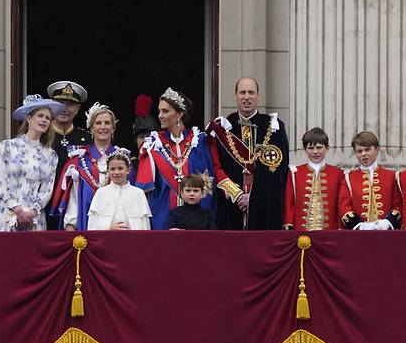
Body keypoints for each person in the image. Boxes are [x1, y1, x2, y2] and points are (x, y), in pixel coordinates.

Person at [205, 76, 289, 230]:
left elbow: (279, 171)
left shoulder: (274, 127)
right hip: (231, 206)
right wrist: (238, 195)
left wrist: (254, 197)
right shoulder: (222, 128)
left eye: (251, 92)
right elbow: (216, 168)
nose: (247, 97)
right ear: (235, 96)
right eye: (242, 92)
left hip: (265, 207)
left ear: (258, 96)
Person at [135, 87, 220, 230]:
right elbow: (143, 191)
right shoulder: (154, 144)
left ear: (179, 114)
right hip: (163, 217)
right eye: (159, 111)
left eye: (165, 111)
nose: (160, 115)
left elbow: (209, 183)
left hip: (197, 219)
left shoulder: (199, 142)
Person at [0, 95, 64, 231]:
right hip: (7, 212)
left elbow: (47, 189)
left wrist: (33, 211)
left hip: (34, 218)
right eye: (40, 115)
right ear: (29, 118)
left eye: (48, 118)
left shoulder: (50, 155)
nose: (44, 120)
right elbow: (1, 180)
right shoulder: (7, 146)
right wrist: (16, 209)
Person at [50, 103, 123, 231]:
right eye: (98, 123)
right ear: (91, 128)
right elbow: (73, 197)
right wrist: (70, 225)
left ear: (113, 128)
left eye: (107, 123)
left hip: (118, 226)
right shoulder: (79, 160)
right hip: (87, 227)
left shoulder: (123, 160)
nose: (103, 127)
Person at [45, 80, 92, 229]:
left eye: (70, 104)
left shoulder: (87, 139)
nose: (65, 109)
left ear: (78, 109)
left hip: (77, 208)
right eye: (60, 103)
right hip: (46, 206)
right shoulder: (41, 136)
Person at [338, 131, 401, 230]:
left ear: (377, 149)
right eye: (359, 151)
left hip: (386, 234)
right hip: (357, 235)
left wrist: (387, 223)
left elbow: (398, 205)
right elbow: (344, 207)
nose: (363, 154)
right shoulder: (348, 178)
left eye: (367, 150)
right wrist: (360, 226)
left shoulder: (392, 176)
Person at [283, 127, 343, 230]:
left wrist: (340, 230)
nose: (315, 152)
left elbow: (340, 204)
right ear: (305, 150)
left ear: (327, 148)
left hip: (331, 233)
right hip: (300, 233)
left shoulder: (338, 173)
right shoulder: (294, 173)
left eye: (319, 147)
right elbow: (289, 204)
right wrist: (288, 226)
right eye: (311, 148)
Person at [88, 150, 151, 230]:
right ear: (108, 170)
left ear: (128, 170)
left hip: (133, 240)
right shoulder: (101, 193)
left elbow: (145, 225)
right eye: (112, 169)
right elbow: (92, 225)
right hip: (107, 239)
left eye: (120, 168)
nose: (116, 172)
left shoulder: (138, 193)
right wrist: (108, 228)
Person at [132, 94, 158, 172]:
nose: (145, 140)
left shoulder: (164, 163)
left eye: (148, 136)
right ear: (135, 141)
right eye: (141, 137)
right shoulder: (130, 166)